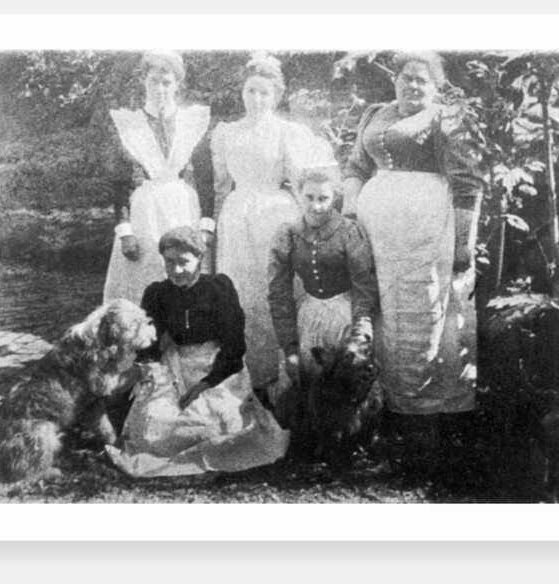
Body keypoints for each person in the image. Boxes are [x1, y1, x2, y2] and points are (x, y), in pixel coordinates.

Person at [340, 51, 485, 474]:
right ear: (395, 80)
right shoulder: (374, 114)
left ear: (436, 86)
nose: (413, 86)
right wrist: (350, 215)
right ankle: (379, 427)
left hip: (425, 235)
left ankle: (422, 439)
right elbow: (355, 165)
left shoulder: (448, 118)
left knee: (421, 320)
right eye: (406, 77)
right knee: (379, 316)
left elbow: (467, 184)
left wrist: (464, 244)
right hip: (376, 236)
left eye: (423, 80)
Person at [105, 226, 289, 478]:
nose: (176, 270)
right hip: (175, 365)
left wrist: (205, 384)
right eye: (170, 262)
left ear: (200, 259)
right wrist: (153, 373)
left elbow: (234, 347)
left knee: (214, 424)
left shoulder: (219, 288)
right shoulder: (156, 293)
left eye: (183, 262)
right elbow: (148, 345)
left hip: (219, 367)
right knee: (155, 426)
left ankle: (216, 450)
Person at [211, 53, 336, 390]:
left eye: (265, 93)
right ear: (242, 92)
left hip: (275, 217)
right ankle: (245, 377)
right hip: (236, 219)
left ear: (276, 96)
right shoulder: (226, 133)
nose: (257, 99)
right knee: (239, 296)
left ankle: (283, 378)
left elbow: (301, 184)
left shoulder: (288, 132)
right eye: (251, 91)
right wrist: (213, 228)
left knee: (276, 292)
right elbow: (221, 185)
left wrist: (313, 231)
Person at [266, 168, 378, 426]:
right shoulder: (288, 234)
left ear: (335, 198)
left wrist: (360, 335)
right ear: (298, 196)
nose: (316, 207)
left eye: (323, 198)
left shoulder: (350, 232)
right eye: (309, 197)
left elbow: (364, 287)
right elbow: (279, 294)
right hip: (309, 315)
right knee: (303, 376)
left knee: (347, 380)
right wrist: (290, 347)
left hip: (345, 314)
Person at [103, 50, 215, 305]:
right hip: (146, 210)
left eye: (167, 82)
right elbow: (120, 183)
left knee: (188, 271)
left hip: (184, 207)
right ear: (143, 81)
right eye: (154, 81)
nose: (160, 89)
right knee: (149, 274)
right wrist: (125, 231)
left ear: (177, 84)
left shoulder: (192, 121)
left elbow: (205, 177)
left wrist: (206, 225)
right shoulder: (129, 124)